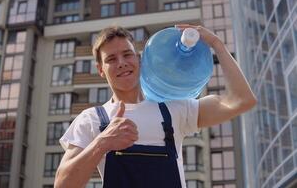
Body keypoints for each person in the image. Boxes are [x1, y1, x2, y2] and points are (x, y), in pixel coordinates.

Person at [54, 24, 257, 188]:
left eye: (127, 54)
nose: (122, 63)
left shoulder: (174, 109)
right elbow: (62, 185)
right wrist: (101, 143)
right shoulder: (92, 119)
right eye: (111, 59)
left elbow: (242, 100)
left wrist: (216, 44)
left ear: (139, 59)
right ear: (100, 70)